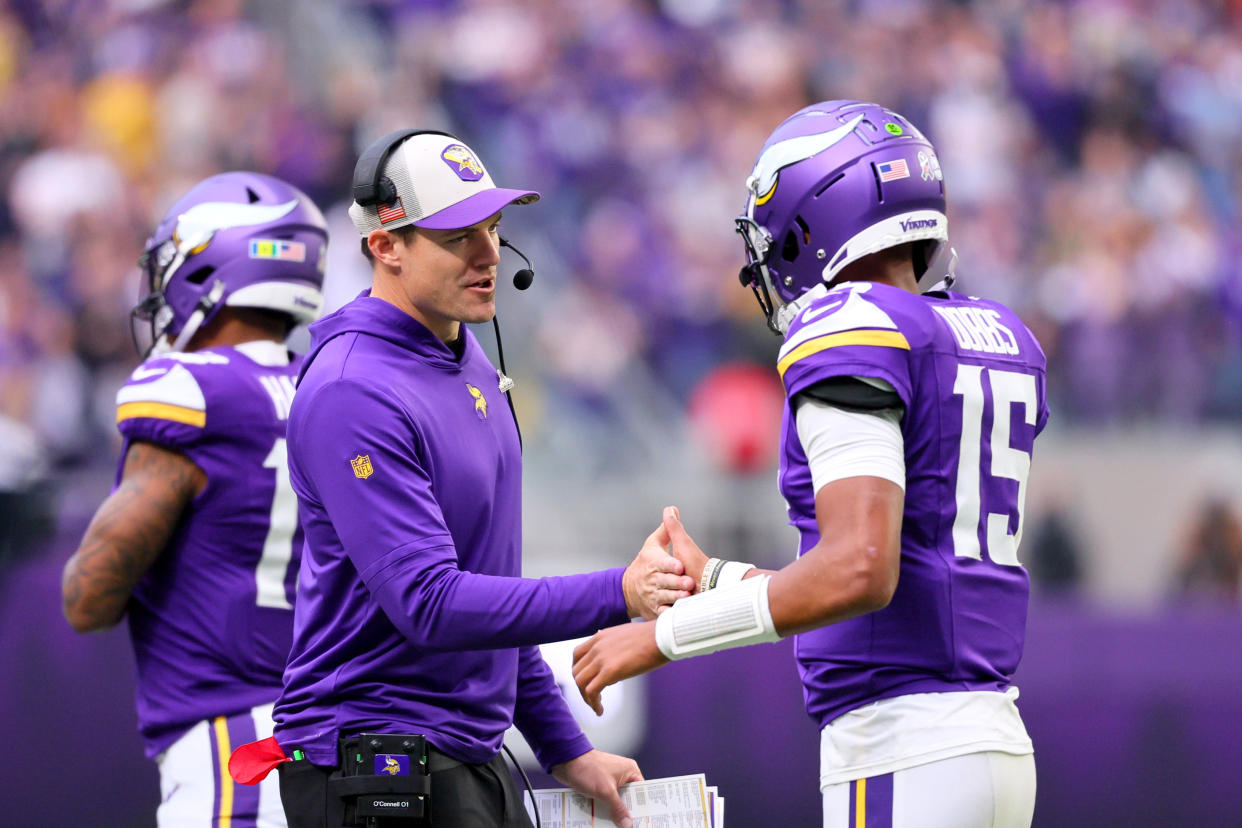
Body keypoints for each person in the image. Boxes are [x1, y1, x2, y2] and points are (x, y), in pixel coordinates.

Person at [572, 100, 1049, 828]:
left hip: (901, 749)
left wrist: (661, 638)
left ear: (812, 220)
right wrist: (716, 581)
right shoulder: (989, 330)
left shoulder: (853, 323)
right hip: (986, 742)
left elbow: (860, 570)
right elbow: (890, 574)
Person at [260, 130, 692, 828]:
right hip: (372, 761)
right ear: (386, 245)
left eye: (493, 227)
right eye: (458, 235)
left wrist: (563, 748)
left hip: (464, 756)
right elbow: (431, 603)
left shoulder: (470, 362)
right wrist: (621, 592)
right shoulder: (353, 389)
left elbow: (487, 580)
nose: (490, 254)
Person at [61, 171, 329, 827]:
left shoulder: (189, 387)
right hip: (337, 738)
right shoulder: (333, 386)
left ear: (206, 264)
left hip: (235, 747)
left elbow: (88, 599)